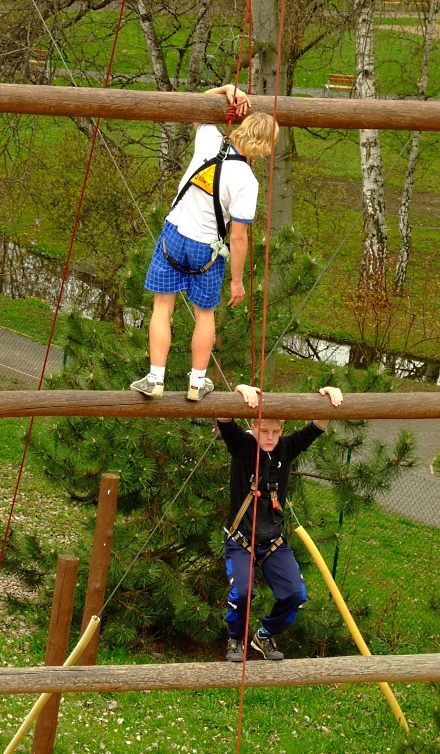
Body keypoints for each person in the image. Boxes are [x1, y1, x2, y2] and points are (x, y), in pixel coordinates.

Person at [131, 84, 279, 402]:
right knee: (205, 314)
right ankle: (197, 381)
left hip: (174, 235)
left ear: (242, 127)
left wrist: (226, 89)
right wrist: (237, 281)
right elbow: (238, 237)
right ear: (264, 147)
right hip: (206, 250)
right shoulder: (247, 182)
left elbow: (196, 104)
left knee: (162, 306)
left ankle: (155, 377)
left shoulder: (210, 140)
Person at [217, 383, 343, 662]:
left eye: (276, 431)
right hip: (241, 542)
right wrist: (239, 391)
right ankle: (235, 638)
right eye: (264, 431)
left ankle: (264, 635)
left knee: (295, 594)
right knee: (243, 592)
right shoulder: (242, 446)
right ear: (253, 426)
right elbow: (223, 416)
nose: (270, 437)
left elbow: (317, 426)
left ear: (283, 430)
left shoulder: (287, 448)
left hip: (273, 541)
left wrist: (328, 397)